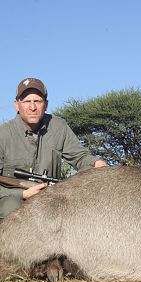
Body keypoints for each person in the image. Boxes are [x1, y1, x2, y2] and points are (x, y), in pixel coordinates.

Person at [0, 77, 107, 219]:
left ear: (46, 104)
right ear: (16, 105)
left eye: (37, 101)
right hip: (12, 196)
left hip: (49, 195)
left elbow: (80, 157)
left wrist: (96, 164)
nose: (32, 107)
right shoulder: (3, 134)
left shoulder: (58, 126)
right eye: (26, 101)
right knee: (12, 210)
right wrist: (22, 193)